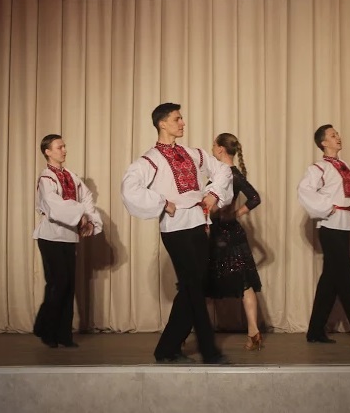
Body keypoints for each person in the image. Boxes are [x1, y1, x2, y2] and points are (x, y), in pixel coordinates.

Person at [121, 103, 233, 364]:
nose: (182, 123)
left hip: (198, 223)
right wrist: (162, 202)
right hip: (175, 228)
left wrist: (213, 193)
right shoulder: (151, 159)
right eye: (177, 119)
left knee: (194, 288)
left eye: (181, 119)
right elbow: (129, 188)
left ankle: (166, 348)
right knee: (193, 288)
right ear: (162, 123)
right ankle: (209, 350)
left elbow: (223, 169)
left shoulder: (193, 153)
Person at [297, 125, 350, 345]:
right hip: (330, 226)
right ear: (323, 142)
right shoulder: (318, 168)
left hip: (344, 225)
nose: (338, 138)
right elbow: (304, 190)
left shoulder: (346, 166)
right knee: (346, 280)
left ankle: (315, 331)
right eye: (333, 135)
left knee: (330, 282)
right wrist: (328, 208)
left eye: (338, 134)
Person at [32, 134, 103, 348]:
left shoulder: (71, 176)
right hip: (50, 236)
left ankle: (64, 334)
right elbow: (53, 205)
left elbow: (87, 198)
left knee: (69, 285)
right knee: (58, 283)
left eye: (64, 146)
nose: (64, 150)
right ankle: (46, 329)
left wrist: (89, 219)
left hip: (69, 237)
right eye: (59, 147)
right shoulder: (46, 177)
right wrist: (80, 214)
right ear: (48, 152)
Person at [208, 133, 264, 351]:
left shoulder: (225, 174)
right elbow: (254, 198)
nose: (212, 148)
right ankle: (253, 330)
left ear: (221, 149)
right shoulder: (235, 174)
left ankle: (185, 332)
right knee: (244, 282)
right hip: (231, 233)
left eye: (214, 145)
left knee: (201, 282)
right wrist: (235, 214)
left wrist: (234, 213)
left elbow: (255, 198)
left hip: (219, 234)